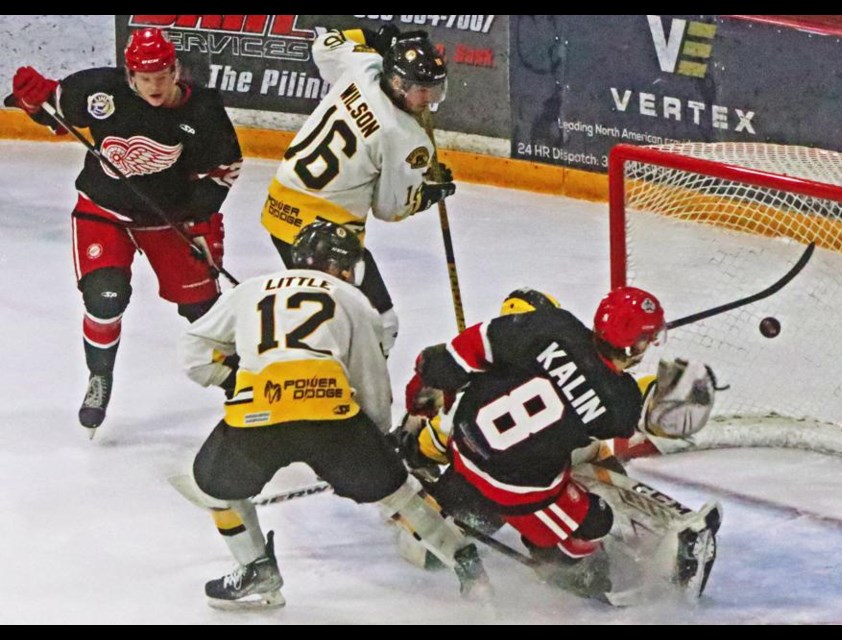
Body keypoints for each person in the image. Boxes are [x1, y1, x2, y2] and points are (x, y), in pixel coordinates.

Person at [177, 219, 489, 609]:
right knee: (398, 493)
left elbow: (193, 354)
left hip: (258, 414)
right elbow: (370, 380)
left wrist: (232, 380)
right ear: (338, 266)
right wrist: (375, 440)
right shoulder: (355, 300)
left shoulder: (250, 290)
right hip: (332, 415)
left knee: (213, 486)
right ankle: (464, 560)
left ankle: (256, 567)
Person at [402, 286, 720, 600]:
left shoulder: (551, 326)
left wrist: (427, 374)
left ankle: (438, 495)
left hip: (463, 446)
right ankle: (561, 564)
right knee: (597, 518)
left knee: (428, 546)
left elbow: (455, 355)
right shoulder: (619, 402)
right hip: (517, 492)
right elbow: (648, 415)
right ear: (632, 347)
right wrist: (681, 392)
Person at [9, 28, 243, 434]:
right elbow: (54, 110)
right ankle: (100, 376)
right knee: (105, 297)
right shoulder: (101, 91)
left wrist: (196, 217)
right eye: (145, 78)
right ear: (130, 75)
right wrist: (32, 100)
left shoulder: (201, 111)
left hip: (168, 219)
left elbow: (225, 169)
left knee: (203, 312)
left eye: (162, 75)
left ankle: (245, 384)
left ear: (176, 70)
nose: (154, 86)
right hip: (104, 211)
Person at [261, 25, 455, 355]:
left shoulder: (363, 65)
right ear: (396, 83)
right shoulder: (406, 137)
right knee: (377, 323)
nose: (428, 99)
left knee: (334, 317)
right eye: (420, 90)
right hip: (326, 234)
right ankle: (347, 395)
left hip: (279, 210)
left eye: (433, 90)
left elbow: (324, 45)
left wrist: (369, 36)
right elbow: (390, 208)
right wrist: (425, 193)